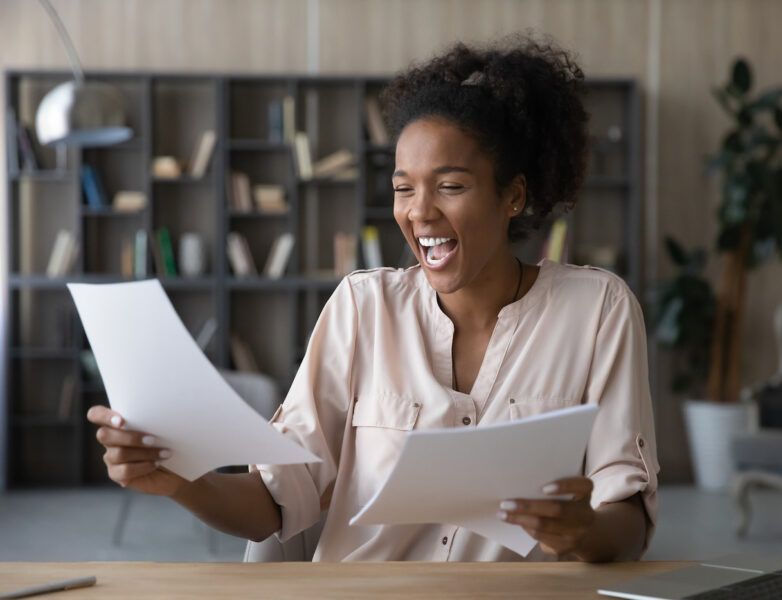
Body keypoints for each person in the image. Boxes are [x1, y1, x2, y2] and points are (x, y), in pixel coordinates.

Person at [87, 34, 659, 563]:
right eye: (404, 187)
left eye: (451, 186)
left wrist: (581, 531)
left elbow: (627, 516)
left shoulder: (597, 310)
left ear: (513, 196)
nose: (420, 211)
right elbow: (273, 502)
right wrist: (178, 479)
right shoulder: (363, 308)